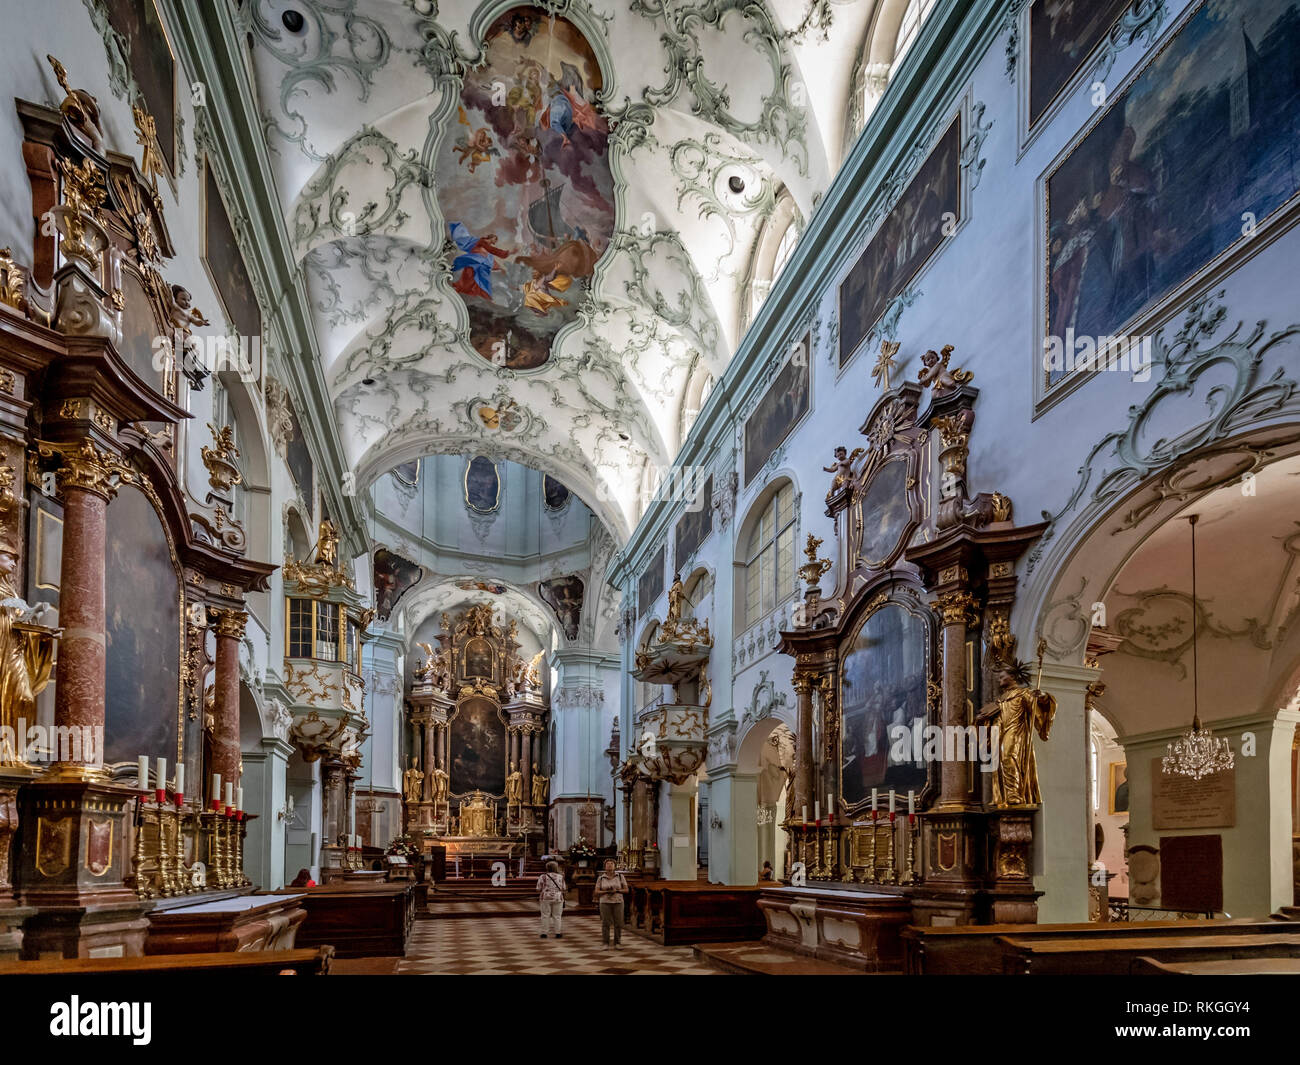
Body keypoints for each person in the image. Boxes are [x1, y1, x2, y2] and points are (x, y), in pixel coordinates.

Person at [594, 859, 628, 948]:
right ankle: (605, 942)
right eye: (607, 864)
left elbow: (626, 890)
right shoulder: (601, 878)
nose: (609, 865)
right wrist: (606, 891)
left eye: (611, 864)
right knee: (605, 923)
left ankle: (617, 942)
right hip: (605, 901)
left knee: (618, 923)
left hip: (618, 901)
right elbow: (596, 891)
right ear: (605, 867)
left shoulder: (620, 876)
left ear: (614, 866)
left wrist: (616, 890)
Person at [536, 860, 566, 939]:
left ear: (547, 868)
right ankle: (558, 933)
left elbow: (538, 888)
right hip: (558, 897)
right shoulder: (560, 876)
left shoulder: (543, 876)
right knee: (557, 916)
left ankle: (544, 933)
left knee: (545, 915)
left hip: (545, 897)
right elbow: (564, 888)